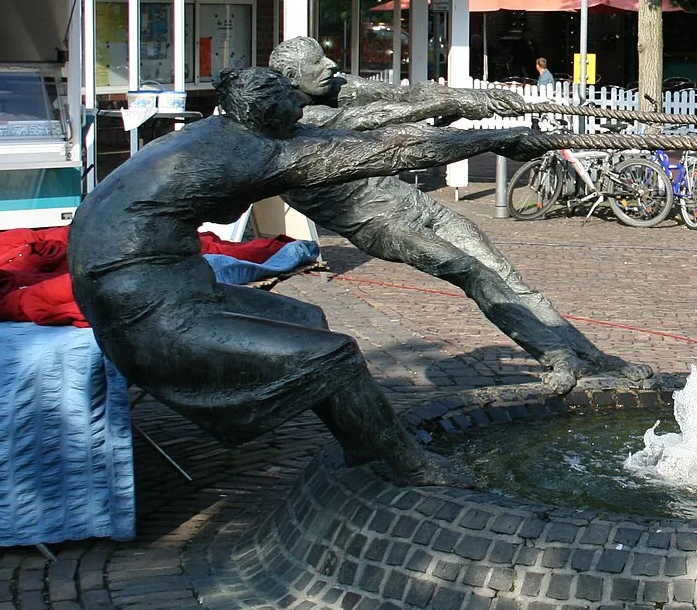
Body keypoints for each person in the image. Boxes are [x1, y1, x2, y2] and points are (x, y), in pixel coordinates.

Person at [69, 65, 553, 484]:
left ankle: (361, 443)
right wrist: (497, 140)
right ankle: (411, 465)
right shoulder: (254, 154)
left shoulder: (211, 133)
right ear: (265, 114)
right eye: (289, 102)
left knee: (305, 319)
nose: (301, 107)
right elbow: (391, 154)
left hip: (162, 285)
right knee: (337, 356)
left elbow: (365, 134)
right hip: (144, 310)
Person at [265, 37, 649, 393]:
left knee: (509, 277)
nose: (331, 63)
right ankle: (556, 356)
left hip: (413, 204)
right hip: (385, 226)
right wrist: (469, 113)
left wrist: (471, 96)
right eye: (318, 62)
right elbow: (383, 119)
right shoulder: (292, 126)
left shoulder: (330, 88)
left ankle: (595, 357)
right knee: (473, 273)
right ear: (292, 78)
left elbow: (404, 94)